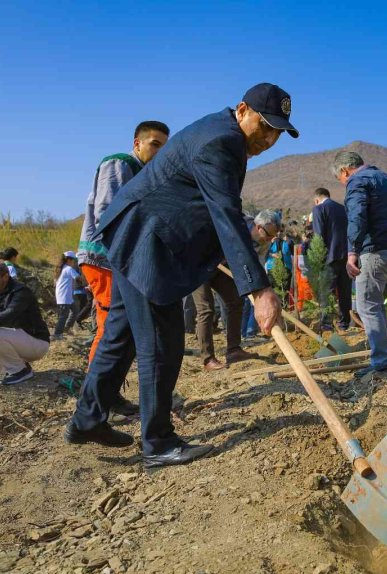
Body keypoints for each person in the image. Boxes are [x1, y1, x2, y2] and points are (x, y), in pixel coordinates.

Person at [65, 83, 292, 469]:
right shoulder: (222, 142)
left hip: (136, 233)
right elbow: (225, 213)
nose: (269, 139)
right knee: (162, 342)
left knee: (120, 335)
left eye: (278, 132)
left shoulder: (220, 134)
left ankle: (87, 419)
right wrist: (259, 288)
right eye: (265, 126)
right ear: (242, 110)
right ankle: (158, 443)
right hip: (146, 241)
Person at [77, 120, 170, 364]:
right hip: (104, 255)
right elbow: (106, 213)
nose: (160, 152)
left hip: (119, 257)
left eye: (164, 147)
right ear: (137, 143)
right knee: (111, 325)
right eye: (154, 144)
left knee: (120, 324)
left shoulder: (145, 174)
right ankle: (96, 391)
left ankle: (104, 390)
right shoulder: (120, 163)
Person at [334, 151, 387, 377]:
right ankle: (383, 355)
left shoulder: (358, 181)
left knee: (368, 307)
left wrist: (352, 251)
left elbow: (357, 216)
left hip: (374, 253)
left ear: (344, 171)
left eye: (340, 179)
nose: (343, 182)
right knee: (378, 307)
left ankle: (381, 363)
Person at [193, 209, 279, 370]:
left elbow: (257, 266)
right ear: (259, 226)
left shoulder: (263, 242)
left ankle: (233, 350)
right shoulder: (233, 223)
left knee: (235, 301)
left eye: (272, 237)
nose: (269, 239)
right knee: (206, 309)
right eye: (268, 235)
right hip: (199, 262)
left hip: (221, 266)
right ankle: (207, 358)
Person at [311, 187, 351, 330]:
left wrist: (318, 260)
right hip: (347, 256)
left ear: (317, 200)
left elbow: (319, 236)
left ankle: (327, 324)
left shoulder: (318, 209)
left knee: (326, 291)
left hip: (329, 257)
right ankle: (345, 322)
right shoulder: (343, 208)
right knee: (345, 290)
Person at [53, 251, 83, 339]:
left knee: (75, 310)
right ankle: (57, 334)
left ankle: (67, 328)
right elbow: (78, 278)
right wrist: (87, 283)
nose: (74, 262)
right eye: (73, 260)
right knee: (63, 315)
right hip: (64, 296)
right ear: (69, 260)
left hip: (66, 295)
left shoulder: (60, 269)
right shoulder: (68, 269)